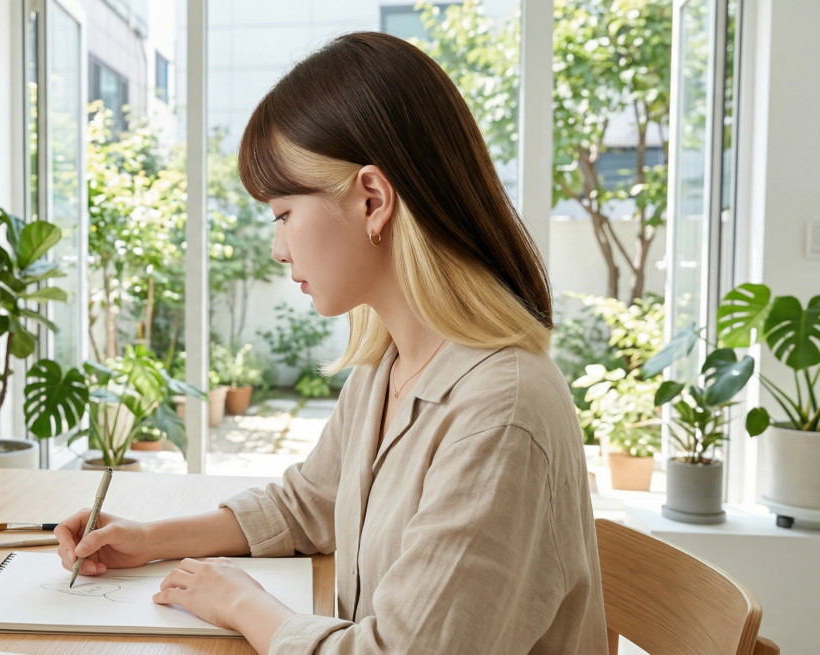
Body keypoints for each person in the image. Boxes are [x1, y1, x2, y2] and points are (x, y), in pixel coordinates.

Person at [54, 31, 608, 655]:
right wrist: (151, 538)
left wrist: (243, 603)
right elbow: (307, 505)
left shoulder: (499, 413)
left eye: (283, 212)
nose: (278, 246)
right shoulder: (390, 364)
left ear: (372, 200)